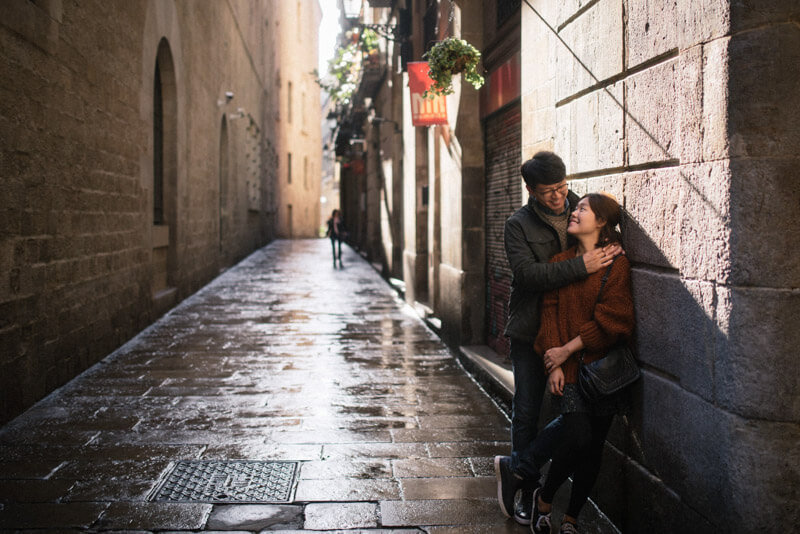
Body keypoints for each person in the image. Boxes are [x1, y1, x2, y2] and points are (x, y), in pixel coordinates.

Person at [495, 152, 622, 525]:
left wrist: (612, 251)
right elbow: (529, 276)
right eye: (549, 191)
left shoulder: (580, 208)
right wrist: (580, 266)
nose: (559, 197)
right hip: (529, 327)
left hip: (570, 332)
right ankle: (524, 489)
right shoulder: (517, 224)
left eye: (562, 187)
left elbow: (604, 234)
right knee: (529, 410)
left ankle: (521, 471)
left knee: (573, 415)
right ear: (531, 190)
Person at [529, 193, 635, 534]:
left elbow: (614, 321)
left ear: (602, 222)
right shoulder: (560, 262)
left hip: (602, 373)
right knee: (577, 438)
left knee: (593, 450)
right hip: (570, 373)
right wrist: (555, 363)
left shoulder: (616, 264)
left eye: (582, 209)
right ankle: (544, 499)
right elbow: (549, 316)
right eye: (575, 208)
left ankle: (571, 520)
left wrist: (566, 350)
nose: (573, 212)